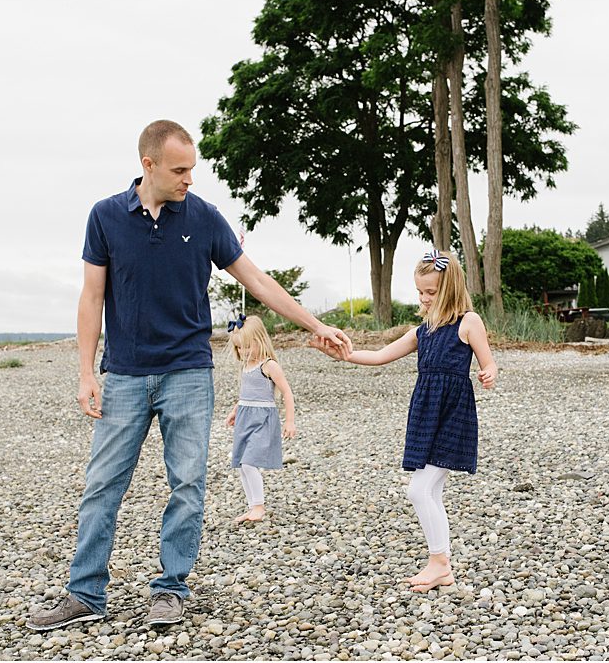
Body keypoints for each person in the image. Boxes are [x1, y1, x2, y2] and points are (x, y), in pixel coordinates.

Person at [26, 120, 351, 631]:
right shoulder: (106, 216)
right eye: (180, 170)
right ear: (147, 165)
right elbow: (91, 298)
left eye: (193, 169)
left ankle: (171, 588)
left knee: (187, 486)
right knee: (102, 485)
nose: (189, 179)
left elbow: (258, 281)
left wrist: (317, 324)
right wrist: (86, 371)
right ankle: (84, 593)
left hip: (188, 374)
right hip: (126, 374)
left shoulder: (203, 218)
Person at [334, 250, 498, 591]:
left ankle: (440, 562)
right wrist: (345, 354)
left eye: (431, 292)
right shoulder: (422, 331)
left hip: (453, 414)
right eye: (420, 291)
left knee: (419, 489)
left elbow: (488, 361)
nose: (423, 298)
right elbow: (380, 356)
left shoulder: (469, 322)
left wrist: (488, 372)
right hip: (425, 413)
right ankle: (442, 565)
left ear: (450, 289)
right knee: (431, 490)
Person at [223, 315, 298, 524]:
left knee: (249, 463)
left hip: (262, 420)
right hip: (245, 418)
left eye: (247, 347)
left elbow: (287, 392)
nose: (243, 352)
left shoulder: (269, 365)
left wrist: (289, 420)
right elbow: (247, 394)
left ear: (260, 340)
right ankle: (251, 506)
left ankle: (259, 506)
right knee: (241, 464)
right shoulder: (246, 366)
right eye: (239, 348)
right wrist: (235, 410)